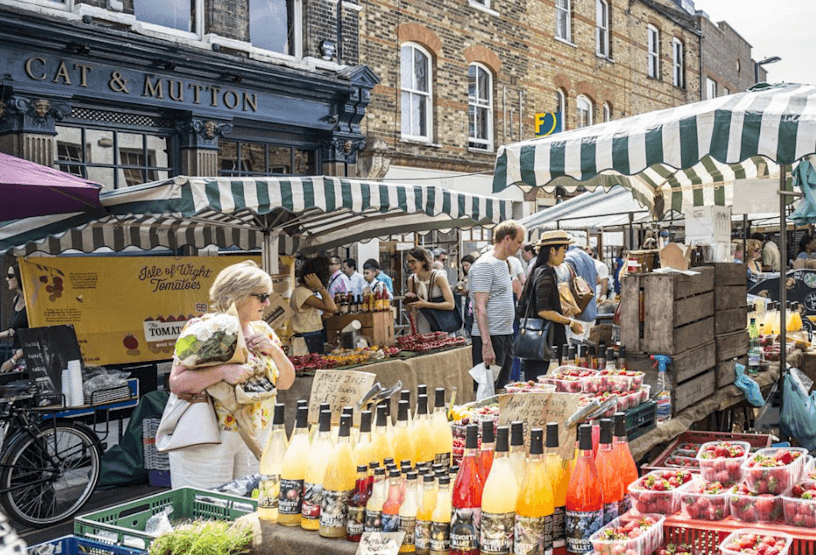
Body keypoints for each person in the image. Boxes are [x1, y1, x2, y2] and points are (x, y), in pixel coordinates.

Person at [167, 260, 295, 489]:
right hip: (210, 437)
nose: (267, 303)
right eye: (261, 296)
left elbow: (285, 382)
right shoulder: (202, 329)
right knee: (207, 508)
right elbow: (177, 383)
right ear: (238, 295)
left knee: (251, 507)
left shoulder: (263, 331)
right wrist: (222, 371)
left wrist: (274, 351)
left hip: (255, 436)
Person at [517, 231, 583, 380]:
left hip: (539, 343)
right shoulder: (546, 272)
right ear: (552, 250)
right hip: (545, 345)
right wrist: (570, 322)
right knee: (544, 385)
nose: (565, 255)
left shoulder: (538, 270)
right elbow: (544, 310)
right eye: (563, 250)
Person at [469, 220, 525, 389]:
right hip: (491, 336)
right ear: (507, 239)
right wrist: (486, 344)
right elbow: (480, 307)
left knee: (500, 387)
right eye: (519, 242)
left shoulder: (504, 263)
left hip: (505, 334)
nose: (521, 246)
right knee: (485, 389)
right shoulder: (485, 264)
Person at [289, 256, 338, 355]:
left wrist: (321, 318)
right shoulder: (302, 292)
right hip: (306, 341)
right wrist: (320, 287)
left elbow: (306, 318)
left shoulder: (305, 292)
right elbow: (332, 307)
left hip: (311, 338)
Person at [405, 247, 456, 334]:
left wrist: (426, 304)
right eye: (408, 262)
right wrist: (408, 300)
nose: (410, 265)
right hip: (422, 327)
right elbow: (410, 309)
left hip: (441, 325)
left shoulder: (438, 277)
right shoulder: (411, 280)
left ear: (423, 261)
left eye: (413, 261)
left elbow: (450, 304)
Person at [564, 245, 598, 342]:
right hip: (591, 311)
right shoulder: (588, 258)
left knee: (575, 352)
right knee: (587, 350)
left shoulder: (569, 258)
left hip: (577, 314)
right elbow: (597, 279)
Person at [1, 263, 27, 372]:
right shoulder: (16, 299)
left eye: (10, 276)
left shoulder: (32, 304)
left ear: (20, 277)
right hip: (16, 355)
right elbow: (13, 331)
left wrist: (13, 360)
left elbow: (38, 336)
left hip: (27, 357)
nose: (7, 279)